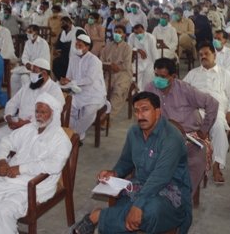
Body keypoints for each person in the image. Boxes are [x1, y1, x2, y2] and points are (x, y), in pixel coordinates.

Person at [71, 92, 193, 234]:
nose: (140, 115)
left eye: (145, 109)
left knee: (148, 212)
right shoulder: (134, 132)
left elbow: (160, 178)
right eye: (136, 111)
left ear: (158, 112)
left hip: (171, 194)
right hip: (140, 187)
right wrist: (114, 172)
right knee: (130, 215)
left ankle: (97, 216)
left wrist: (138, 206)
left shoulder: (171, 138)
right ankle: (110, 217)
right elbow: (126, 161)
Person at [0, 93, 71, 234]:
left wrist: (21, 169)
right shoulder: (29, 129)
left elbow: (54, 165)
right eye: (36, 111)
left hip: (35, 185)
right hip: (7, 179)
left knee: (3, 211)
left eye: (43, 112)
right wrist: (2, 161)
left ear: (53, 114)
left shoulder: (61, 139)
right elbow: (6, 141)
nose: (38, 115)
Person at [146, 57, 218, 197]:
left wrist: (204, 130)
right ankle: (152, 192)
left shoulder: (185, 90)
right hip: (162, 135)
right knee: (143, 155)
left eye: (162, 76)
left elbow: (212, 104)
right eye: (156, 75)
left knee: (197, 160)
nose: (158, 79)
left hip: (189, 136)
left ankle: (182, 198)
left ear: (173, 77)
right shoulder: (150, 88)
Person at [184, 43, 230, 184]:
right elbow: (182, 91)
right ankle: (188, 164)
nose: (203, 57)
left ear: (214, 55)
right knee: (182, 129)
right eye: (200, 55)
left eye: (206, 54)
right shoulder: (193, 74)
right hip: (195, 110)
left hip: (216, 110)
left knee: (217, 127)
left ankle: (217, 166)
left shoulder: (224, 74)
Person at [0, 58, 64, 157]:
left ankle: (13, 167)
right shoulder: (28, 86)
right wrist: (9, 117)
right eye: (31, 71)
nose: (31, 74)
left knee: (21, 150)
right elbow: (12, 103)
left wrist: (27, 123)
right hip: (17, 125)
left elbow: (53, 116)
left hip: (39, 130)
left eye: (34, 71)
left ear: (44, 74)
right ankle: (0, 169)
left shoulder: (54, 90)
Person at [60, 34, 107, 143]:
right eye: (76, 44)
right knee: (66, 108)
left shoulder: (94, 61)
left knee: (89, 112)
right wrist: (65, 81)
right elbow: (69, 76)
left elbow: (89, 80)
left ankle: (75, 134)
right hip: (78, 93)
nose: (77, 47)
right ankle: (78, 133)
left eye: (80, 45)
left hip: (94, 94)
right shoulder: (73, 58)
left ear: (87, 47)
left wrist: (72, 82)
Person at [100, 25, 133, 117]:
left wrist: (117, 67)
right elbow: (101, 60)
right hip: (109, 73)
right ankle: (99, 113)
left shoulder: (127, 48)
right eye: (116, 32)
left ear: (124, 35)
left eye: (119, 32)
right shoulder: (108, 46)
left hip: (123, 74)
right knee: (102, 90)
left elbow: (126, 64)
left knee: (118, 91)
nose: (117, 34)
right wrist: (108, 66)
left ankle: (108, 117)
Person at [10, 25, 51, 94]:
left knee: (24, 78)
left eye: (30, 32)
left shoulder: (43, 43)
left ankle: (27, 99)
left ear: (36, 33)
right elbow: (24, 57)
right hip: (28, 68)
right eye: (27, 31)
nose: (28, 33)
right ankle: (16, 98)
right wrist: (27, 63)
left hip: (39, 70)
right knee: (14, 77)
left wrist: (32, 66)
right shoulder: (27, 42)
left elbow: (43, 62)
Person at [127, 24, 157, 91]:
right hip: (137, 61)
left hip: (150, 61)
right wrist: (137, 50)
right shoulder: (132, 36)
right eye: (136, 33)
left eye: (140, 32)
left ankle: (146, 93)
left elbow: (154, 52)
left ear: (144, 30)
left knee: (148, 80)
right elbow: (129, 49)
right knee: (134, 77)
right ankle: (136, 94)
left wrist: (156, 65)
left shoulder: (150, 37)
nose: (138, 34)